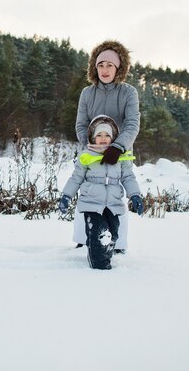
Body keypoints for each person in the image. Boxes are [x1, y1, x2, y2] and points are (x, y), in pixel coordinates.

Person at [72, 40, 141, 252]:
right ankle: (83, 239)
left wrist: (117, 147)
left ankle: (118, 244)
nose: (104, 69)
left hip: (119, 155)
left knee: (115, 197)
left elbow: (132, 123)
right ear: (94, 66)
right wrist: (91, 147)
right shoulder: (87, 93)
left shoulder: (129, 93)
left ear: (119, 68)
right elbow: (81, 124)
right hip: (91, 154)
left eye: (109, 65)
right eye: (101, 65)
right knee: (88, 193)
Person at [59, 115, 143, 270]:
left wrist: (135, 195)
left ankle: (104, 257)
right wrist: (66, 196)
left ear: (113, 138)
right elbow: (76, 178)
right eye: (99, 135)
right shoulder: (86, 156)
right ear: (92, 137)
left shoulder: (121, 158)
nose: (103, 138)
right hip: (91, 204)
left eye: (107, 135)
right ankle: (99, 265)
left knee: (113, 235)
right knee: (98, 234)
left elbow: (128, 177)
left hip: (113, 204)